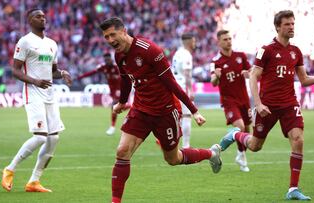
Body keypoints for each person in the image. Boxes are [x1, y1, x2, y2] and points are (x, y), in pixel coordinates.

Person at [99, 17, 222, 203]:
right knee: (122, 150)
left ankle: (211, 154)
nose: (109, 40)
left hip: (166, 111)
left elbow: (171, 83)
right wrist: (122, 102)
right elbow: (125, 80)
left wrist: (194, 111)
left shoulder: (150, 50)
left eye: (112, 35)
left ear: (123, 31)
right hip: (141, 109)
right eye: (106, 37)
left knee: (173, 159)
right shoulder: (119, 55)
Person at [218, 10, 314, 200]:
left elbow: (303, 80)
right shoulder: (267, 50)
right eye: (287, 24)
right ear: (278, 27)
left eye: (293, 24)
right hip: (267, 105)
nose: (291, 27)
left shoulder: (296, 52)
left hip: (289, 103)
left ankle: (293, 189)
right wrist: (259, 103)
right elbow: (254, 76)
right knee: (255, 146)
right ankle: (235, 134)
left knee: (298, 140)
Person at [1, 8, 72, 193]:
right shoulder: (25, 41)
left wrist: (62, 73)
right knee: (40, 136)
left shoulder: (52, 44)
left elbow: (53, 71)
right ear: (30, 20)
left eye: (43, 16)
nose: (43, 19)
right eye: (38, 16)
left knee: (54, 137)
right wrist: (35, 81)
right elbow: (15, 70)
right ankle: (10, 169)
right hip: (32, 93)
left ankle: (34, 181)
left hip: (49, 95)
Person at [210, 30, 251, 172]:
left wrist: (248, 74)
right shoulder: (215, 61)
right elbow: (213, 82)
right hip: (229, 101)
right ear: (219, 42)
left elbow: (252, 72)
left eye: (230, 38)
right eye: (225, 39)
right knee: (240, 127)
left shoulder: (241, 56)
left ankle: (241, 154)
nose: (228, 41)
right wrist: (216, 76)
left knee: (247, 130)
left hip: (244, 100)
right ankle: (241, 156)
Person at [77, 53, 129, 135]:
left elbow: (127, 74)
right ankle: (132, 107)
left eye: (108, 59)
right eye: (106, 60)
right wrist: (80, 77)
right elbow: (92, 73)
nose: (107, 61)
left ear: (111, 59)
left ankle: (112, 127)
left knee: (114, 105)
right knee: (116, 108)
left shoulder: (117, 67)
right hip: (112, 90)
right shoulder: (103, 67)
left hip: (120, 89)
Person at [171, 33, 196, 148]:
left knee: (178, 116)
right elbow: (187, 73)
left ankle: (172, 142)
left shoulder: (177, 53)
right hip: (182, 87)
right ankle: (186, 145)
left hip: (174, 86)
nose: (195, 43)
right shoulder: (186, 54)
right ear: (190, 41)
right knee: (186, 116)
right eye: (194, 41)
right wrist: (190, 90)